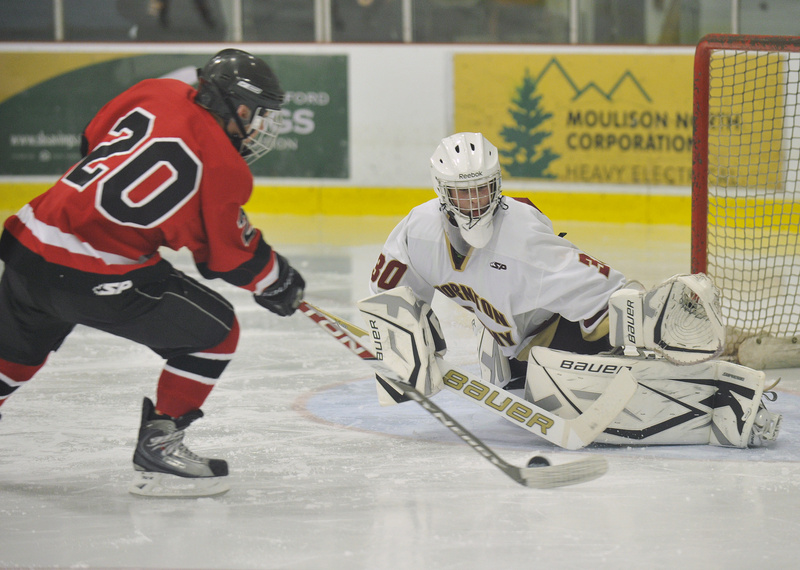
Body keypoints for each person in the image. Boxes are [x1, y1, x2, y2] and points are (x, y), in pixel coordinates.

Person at [0, 49, 305, 495]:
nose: (258, 126)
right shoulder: (224, 166)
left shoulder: (156, 91)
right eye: (257, 114)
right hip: (94, 274)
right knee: (216, 335)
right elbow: (229, 257)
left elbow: (91, 141)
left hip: (29, 244)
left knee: (11, 355)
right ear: (239, 107)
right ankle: (160, 444)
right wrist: (277, 280)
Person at [365, 131, 781, 448]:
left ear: (497, 185)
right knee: (520, 387)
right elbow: (390, 298)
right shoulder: (417, 232)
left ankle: (721, 391)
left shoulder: (523, 238)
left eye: (482, 190)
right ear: (442, 192)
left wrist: (648, 324)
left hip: (560, 326)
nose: (474, 203)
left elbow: (609, 296)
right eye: (462, 193)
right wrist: (405, 351)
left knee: (578, 382)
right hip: (509, 340)